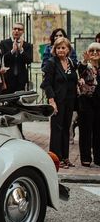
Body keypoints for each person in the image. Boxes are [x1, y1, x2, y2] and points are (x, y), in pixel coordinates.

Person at [41, 37, 78, 169]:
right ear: (54, 50)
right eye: (58, 48)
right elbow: (46, 84)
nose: (61, 50)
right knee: (57, 129)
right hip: (57, 101)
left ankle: (65, 157)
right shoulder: (51, 62)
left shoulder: (71, 63)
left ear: (68, 49)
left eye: (63, 47)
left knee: (66, 129)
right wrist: (52, 101)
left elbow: (74, 79)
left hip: (69, 100)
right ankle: (56, 158)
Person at [77, 42, 100, 167]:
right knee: (86, 131)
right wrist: (85, 62)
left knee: (98, 130)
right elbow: (80, 70)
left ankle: (98, 158)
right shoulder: (85, 66)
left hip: (99, 102)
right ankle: (85, 158)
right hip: (86, 102)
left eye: (97, 50)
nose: (95, 53)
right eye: (92, 51)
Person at [0, 22, 33, 93]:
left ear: (23, 31)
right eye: (15, 29)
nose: (17, 31)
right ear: (12, 30)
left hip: (21, 79)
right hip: (7, 78)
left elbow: (29, 61)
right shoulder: (4, 43)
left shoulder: (27, 45)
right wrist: (12, 51)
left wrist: (21, 50)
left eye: (19, 29)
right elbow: (3, 59)